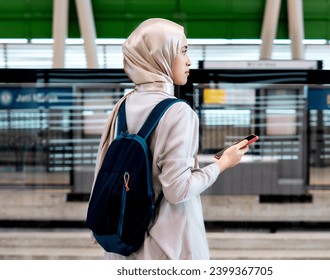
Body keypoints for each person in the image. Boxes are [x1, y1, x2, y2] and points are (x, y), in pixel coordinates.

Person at [92, 18, 249, 260]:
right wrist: (222, 164)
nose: (189, 61)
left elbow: (102, 172)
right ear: (159, 55)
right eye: (182, 51)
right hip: (168, 248)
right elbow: (178, 190)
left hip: (123, 245)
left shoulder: (121, 106)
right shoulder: (179, 112)